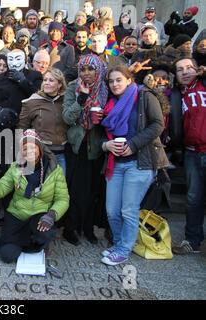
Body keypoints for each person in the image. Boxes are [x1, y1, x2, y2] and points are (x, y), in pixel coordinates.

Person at [99, 65, 169, 265]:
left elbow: (158, 124)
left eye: (119, 80)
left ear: (129, 80)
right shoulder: (110, 103)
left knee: (128, 209)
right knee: (112, 209)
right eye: (111, 81)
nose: (114, 84)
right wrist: (106, 145)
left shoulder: (144, 96)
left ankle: (123, 249)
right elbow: (103, 135)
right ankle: (119, 243)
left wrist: (133, 145)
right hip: (116, 162)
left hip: (140, 162)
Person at [0, 129, 69, 263]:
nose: (29, 151)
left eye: (33, 147)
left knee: (45, 232)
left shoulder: (55, 170)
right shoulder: (16, 167)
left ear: (40, 149)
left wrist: (51, 215)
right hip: (17, 214)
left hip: (40, 215)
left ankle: (33, 242)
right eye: (25, 149)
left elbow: (63, 199)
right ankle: (20, 240)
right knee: (7, 255)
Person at [61, 54, 109, 245]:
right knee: (77, 190)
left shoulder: (105, 89)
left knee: (93, 191)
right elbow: (66, 117)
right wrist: (82, 98)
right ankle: (70, 228)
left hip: (98, 145)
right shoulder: (74, 87)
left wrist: (104, 117)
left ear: (98, 70)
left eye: (91, 69)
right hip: (77, 145)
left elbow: (112, 117)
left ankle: (88, 228)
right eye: (83, 69)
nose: (87, 73)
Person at [170, 57, 206, 254]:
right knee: (193, 198)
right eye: (179, 70)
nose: (184, 72)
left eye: (188, 68)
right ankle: (192, 240)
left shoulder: (203, 85)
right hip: (192, 153)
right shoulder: (177, 95)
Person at [19, 67, 68, 175]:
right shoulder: (33, 101)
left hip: (61, 153)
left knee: (60, 187)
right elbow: (22, 128)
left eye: (51, 80)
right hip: (42, 153)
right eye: (45, 80)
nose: (46, 83)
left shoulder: (65, 101)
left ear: (59, 84)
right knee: (43, 188)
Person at [0, 47, 42, 121]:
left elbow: (38, 96)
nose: (14, 63)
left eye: (18, 59)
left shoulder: (35, 75)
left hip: (24, 123)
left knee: (19, 132)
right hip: (4, 123)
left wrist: (23, 81)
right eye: (11, 59)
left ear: (24, 60)